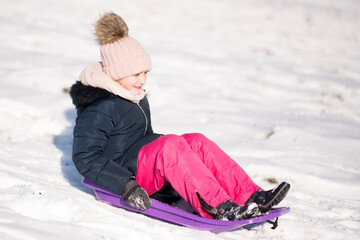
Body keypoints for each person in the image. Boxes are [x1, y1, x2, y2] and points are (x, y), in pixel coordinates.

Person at [70, 12, 290, 221]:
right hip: (124, 178)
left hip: (140, 166)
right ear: (117, 74)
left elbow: (140, 141)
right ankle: (219, 206)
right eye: (136, 74)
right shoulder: (100, 106)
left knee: (197, 141)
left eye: (145, 73)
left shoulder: (133, 96)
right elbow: (85, 157)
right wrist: (125, 185)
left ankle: (250, 196)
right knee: (170, 145)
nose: (143, 80)